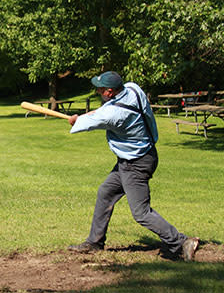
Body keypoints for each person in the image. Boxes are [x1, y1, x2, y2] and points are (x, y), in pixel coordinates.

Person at [67, 71, 199, 261]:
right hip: (141, 156)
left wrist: (75, 120)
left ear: (110, 92)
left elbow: (88, 122)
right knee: (106, 192)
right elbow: (98, 113)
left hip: (135, 164)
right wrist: (82, 117)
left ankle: (181, 242)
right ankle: (95, 242)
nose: (98, 91)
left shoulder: (113, 115)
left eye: (100, 89)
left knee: (141, 213)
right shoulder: (132, 89)